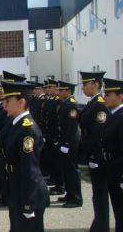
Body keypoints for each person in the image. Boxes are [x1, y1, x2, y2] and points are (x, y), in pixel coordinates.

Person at [1, 81, 49, 232]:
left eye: (8, 101)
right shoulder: (17, 124)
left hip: (28, 193)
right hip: (18, 188)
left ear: (21, 102)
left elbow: (30, 168)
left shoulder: (27, 129)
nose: (4, 105)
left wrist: (28, 203)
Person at [79, 71, 109, 232]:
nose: (83, 87)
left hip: (97, 158)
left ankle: (101, 226)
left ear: (96, 84)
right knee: (97, 195)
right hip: (91, 155)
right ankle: (99, 224)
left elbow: (98, 134)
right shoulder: (92, 103)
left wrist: (95, 158)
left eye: (85, 84)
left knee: (100, 195)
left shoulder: (99, 105)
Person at [56, 80, 83, 208]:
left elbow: (72, 127)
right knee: (66, 169)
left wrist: (66, 143)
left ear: (68, 91)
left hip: (70, 142)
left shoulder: (72, 105)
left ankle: (76, 198)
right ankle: (69, 194)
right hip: (64, 140)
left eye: (61, 90)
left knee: (72, 170)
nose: (59, 92)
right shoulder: (65, 103)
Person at [102, 78, 123, 232]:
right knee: (117, 209)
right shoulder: (112, 115)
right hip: (111, 167)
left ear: (120, 96)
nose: (105, 97)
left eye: (109, 94)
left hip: (119, 170)